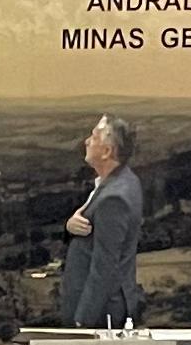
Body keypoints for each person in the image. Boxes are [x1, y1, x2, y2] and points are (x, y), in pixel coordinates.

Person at [55, 115, 146, 331]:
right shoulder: (122, 181)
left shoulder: (114, 198)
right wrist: (70, 227)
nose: (87, 141)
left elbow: (105, 265)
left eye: (94, 137)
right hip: (102, 308)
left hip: (100, 313)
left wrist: (83, 320)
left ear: (106, 151)